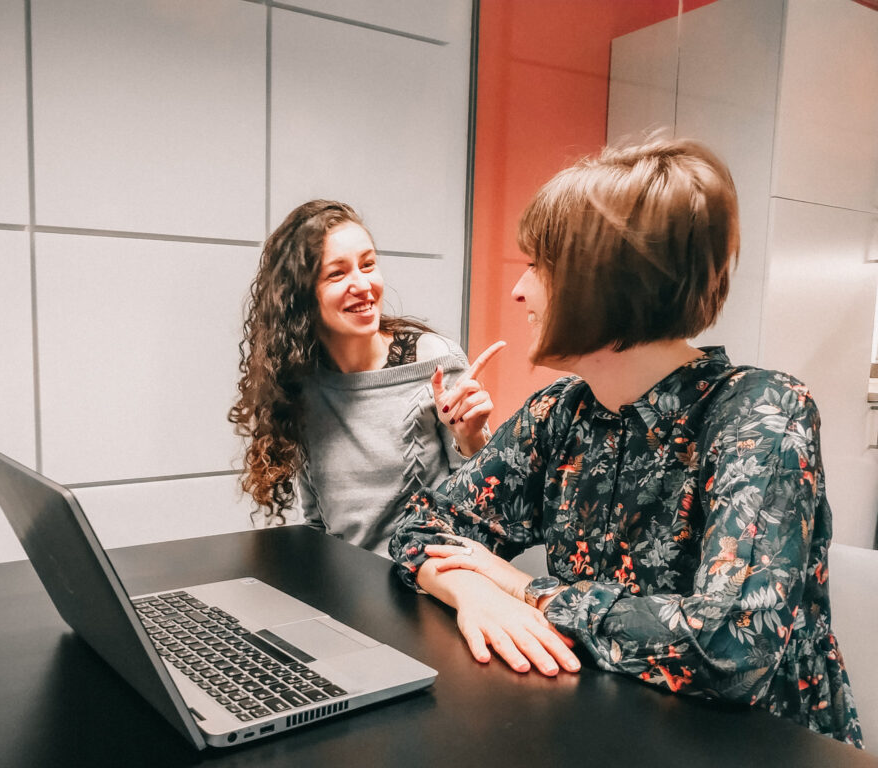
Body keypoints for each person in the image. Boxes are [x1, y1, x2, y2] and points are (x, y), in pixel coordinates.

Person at [389, 138, 864, 747]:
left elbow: (730, 647)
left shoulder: (764, 414)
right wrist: (472, 592)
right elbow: (421, 527)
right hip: (600, 727)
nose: (519, 292)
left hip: (757, 747)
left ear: (601, 286)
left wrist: (526, 590)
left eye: (536, 268)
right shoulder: (562, 411)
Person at [229, 200, 504, 555]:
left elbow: (484, 510)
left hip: (430, 584)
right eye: (337, 273)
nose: (363, 284)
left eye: (368, 264)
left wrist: (471, 438)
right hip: (345, 588)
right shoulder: (301, 386)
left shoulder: (433, 360)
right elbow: (318, 523)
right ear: (301, 296)